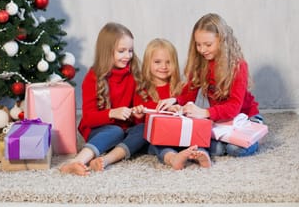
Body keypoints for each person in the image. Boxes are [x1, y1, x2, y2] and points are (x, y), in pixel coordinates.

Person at [157, 13, 262, 158]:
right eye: (198, 44)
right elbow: (190, 91)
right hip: (222, 121)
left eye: (208, 44)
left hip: (245, 117)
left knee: (235, 149)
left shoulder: (238, 66)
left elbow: (234, 107)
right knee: (212, 148)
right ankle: (226, 141)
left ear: (222, 41)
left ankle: (256, 137)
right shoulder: (202, 63)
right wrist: (175, 101)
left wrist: (205, 113)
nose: (202, 49)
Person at [59, 22, 142, 175]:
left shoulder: (134, 74)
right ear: (107, 52)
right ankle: (76, 161)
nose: (128, 56)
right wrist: (112, 113)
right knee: (115, 131)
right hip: (101, 129)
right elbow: (88, 118)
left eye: (130, 51)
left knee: (145, 130)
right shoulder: (93, 78)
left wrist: (138, 113)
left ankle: (105, 160)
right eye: (121, 51)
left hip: (125, 130)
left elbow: (136, 110)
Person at [136, 38, 212, 170]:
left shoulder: (181, 87)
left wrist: (179, 107)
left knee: (195, 136)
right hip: (161, 137)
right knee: (158, 145)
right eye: (157, 62)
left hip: (180, 133)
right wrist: (141, 114)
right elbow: (141, 120)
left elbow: (189, 102)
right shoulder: (142, 89)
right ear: (148, 63)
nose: (164, 67)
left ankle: (202, 154)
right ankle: (173, 158)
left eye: (168, 62)